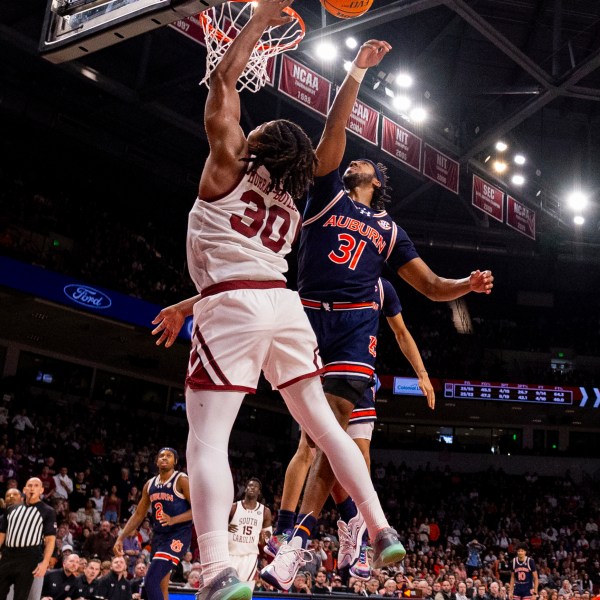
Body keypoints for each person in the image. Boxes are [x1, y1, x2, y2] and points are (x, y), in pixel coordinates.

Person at [150, 3, 407, 599]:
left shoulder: (224, 166)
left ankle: (216, 569)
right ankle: (377, 524)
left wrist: (260, 22)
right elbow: (332, 143)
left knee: (207, 440)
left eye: (257, 132)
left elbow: (221, 81)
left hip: (235, 306)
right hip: (282, 308)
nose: (253, 128)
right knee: (322, 425)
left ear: (257, 147)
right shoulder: (298, 193)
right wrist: (355, 74)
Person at [264, 30, 493, 588]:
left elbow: (433, 287)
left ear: (378, 181)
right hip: (304, 320)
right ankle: (348, 528)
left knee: (333, 435)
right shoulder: (327, 196)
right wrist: (356, 73)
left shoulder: (389, 229)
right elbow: (335, 129)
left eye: (366, 164)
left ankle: (295, 544)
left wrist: (466, 282)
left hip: (351, 332)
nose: (356, 163)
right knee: (324, 445)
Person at [268, 277, 435, 581]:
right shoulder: (323, 272)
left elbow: (401, 330)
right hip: (318, 368)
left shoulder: (382, 288)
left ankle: (353, 534)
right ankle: (290, 530)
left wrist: (421, 373)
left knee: (355, 452)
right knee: (312, 448)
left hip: (355, 371)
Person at [114, 448, 192, 600]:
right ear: (156, 461)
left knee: (150, 581)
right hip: (159, 536)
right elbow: (138, 514)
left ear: (175, 461)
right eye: (161, 456)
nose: (164, 458)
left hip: (178, 535)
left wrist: (173, 519)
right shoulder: (150, 484)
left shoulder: (181, 479)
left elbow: (198, 510)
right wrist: (120, 537)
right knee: (161, 586)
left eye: (169, 456)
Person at [0, 478, 57, 600]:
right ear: (24, 490)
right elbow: (2, 534)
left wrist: (45, 563)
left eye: (36, 485)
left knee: (20, 596)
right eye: (29, 485)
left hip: (29, 558)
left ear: (41, 490)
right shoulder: (11, 509)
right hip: (8, 556)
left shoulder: (48, 511)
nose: (32, 488)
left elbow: (50, 540)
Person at [228, 478, 272, 586]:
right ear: (245, 489)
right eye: (250, 485)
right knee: (227, 588)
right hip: (230, 553)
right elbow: (218, 526)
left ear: (259, 492)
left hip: (249, 556)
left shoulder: (265, 511)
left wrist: (264, 538)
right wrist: (226, 527)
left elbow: (267, 538)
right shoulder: (234, 507)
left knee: (242, 588)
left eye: (255, 486)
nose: (252, 488)